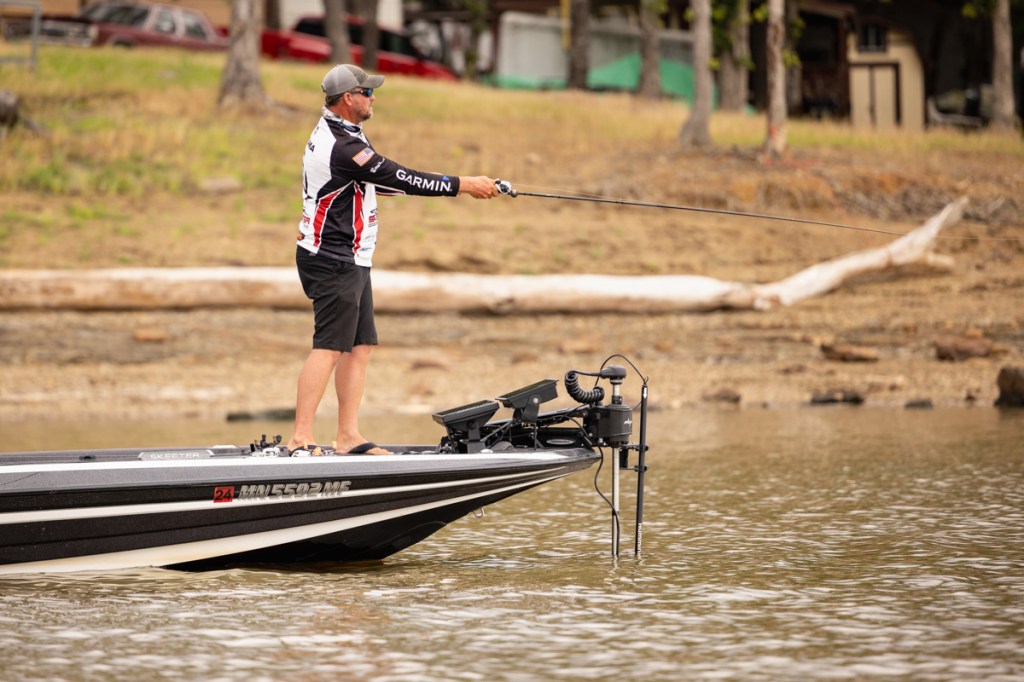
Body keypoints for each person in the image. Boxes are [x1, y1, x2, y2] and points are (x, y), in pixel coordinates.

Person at [287, 64, 499, 456]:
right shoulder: (344, 146)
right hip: (332, 257)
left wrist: (447, 186)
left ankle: (348, 436)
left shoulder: (345, 131)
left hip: (352, 256)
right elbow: (398, 176)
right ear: (348, 98)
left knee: (360, 346)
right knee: (330, 346)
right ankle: (301, 437)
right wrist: (464, 185)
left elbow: (380, 181)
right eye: (367, 92)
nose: (373, 97)